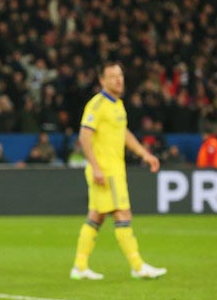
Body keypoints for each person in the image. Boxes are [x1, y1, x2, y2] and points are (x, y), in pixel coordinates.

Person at [70, 62, 167, 280]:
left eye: (120, 75)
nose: (118, 80)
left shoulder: (118, 105)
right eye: (112, 76)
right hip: (105, 171)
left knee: (96, 216)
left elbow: (124, 134)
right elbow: (84, 136)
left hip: (113, 170)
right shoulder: (97, 105)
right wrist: (95, 167)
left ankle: (79, 266)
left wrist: (145, 154)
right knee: (123, 213)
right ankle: (138, 266)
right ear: (102, 81)